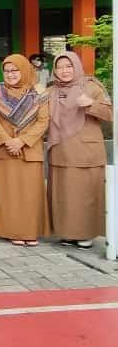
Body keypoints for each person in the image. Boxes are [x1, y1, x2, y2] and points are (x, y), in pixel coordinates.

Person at [47, 51, 112, 249]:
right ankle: (67, 233)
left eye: (68, 66)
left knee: (85, 195)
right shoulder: (51, 90)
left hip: (86, 152)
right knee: (64, 195)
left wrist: (91, 104)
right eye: (59, 67)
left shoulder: (92, 86)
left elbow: (110, 113)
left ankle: (86, 233)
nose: (64, 71)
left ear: (76, 66)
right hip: (60, 151)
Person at [0, 54, 50, 246]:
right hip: (4, 150)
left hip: (29, 149)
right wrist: (7, 141)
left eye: (15, 70)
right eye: (6, 71)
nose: (10, 74)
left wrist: (21, 141)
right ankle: (10, 230)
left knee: (30, 193)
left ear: (24, 70)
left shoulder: (38, 93)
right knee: (8, 193)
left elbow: (43, 121)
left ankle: (30, 231)